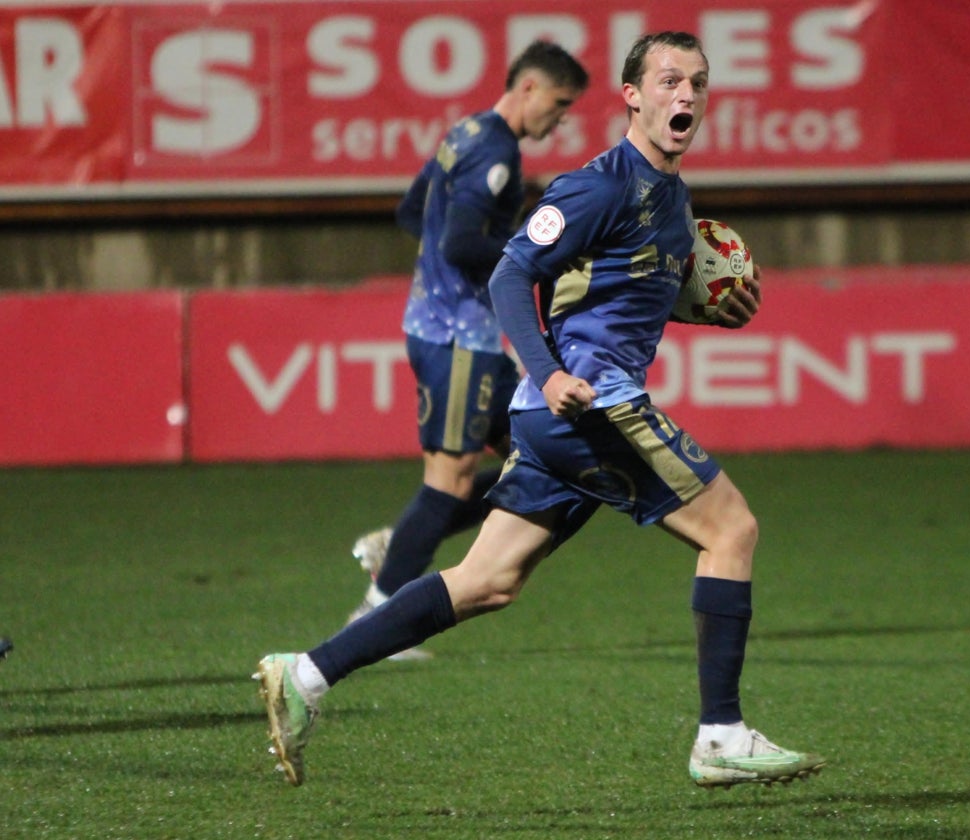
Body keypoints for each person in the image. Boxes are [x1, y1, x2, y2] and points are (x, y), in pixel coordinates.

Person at [255, 30, 827, 790]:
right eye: (666, 81)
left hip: (556, 418)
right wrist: (549, 372)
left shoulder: (671, 198)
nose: (684, 95)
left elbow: (617, 295)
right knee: (731, 529)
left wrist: (703, 312)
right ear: (631, 95)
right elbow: (511, 276)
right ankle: (720, 734)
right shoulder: (598, 186)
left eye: (695, 82)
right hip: (588, 408)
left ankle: (308, 675)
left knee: (488, 581)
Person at [344, 41, 591, 659]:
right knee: (453, 480)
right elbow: (460, 244)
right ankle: (376, 613)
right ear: (530, 88)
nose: (559, 120)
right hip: (456, 339)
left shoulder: (465, 132)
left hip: (456, 330)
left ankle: (403, 540)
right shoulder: (496, 149)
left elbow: (412, 210)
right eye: (559, 105)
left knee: (551, 457)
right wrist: (535, 257)